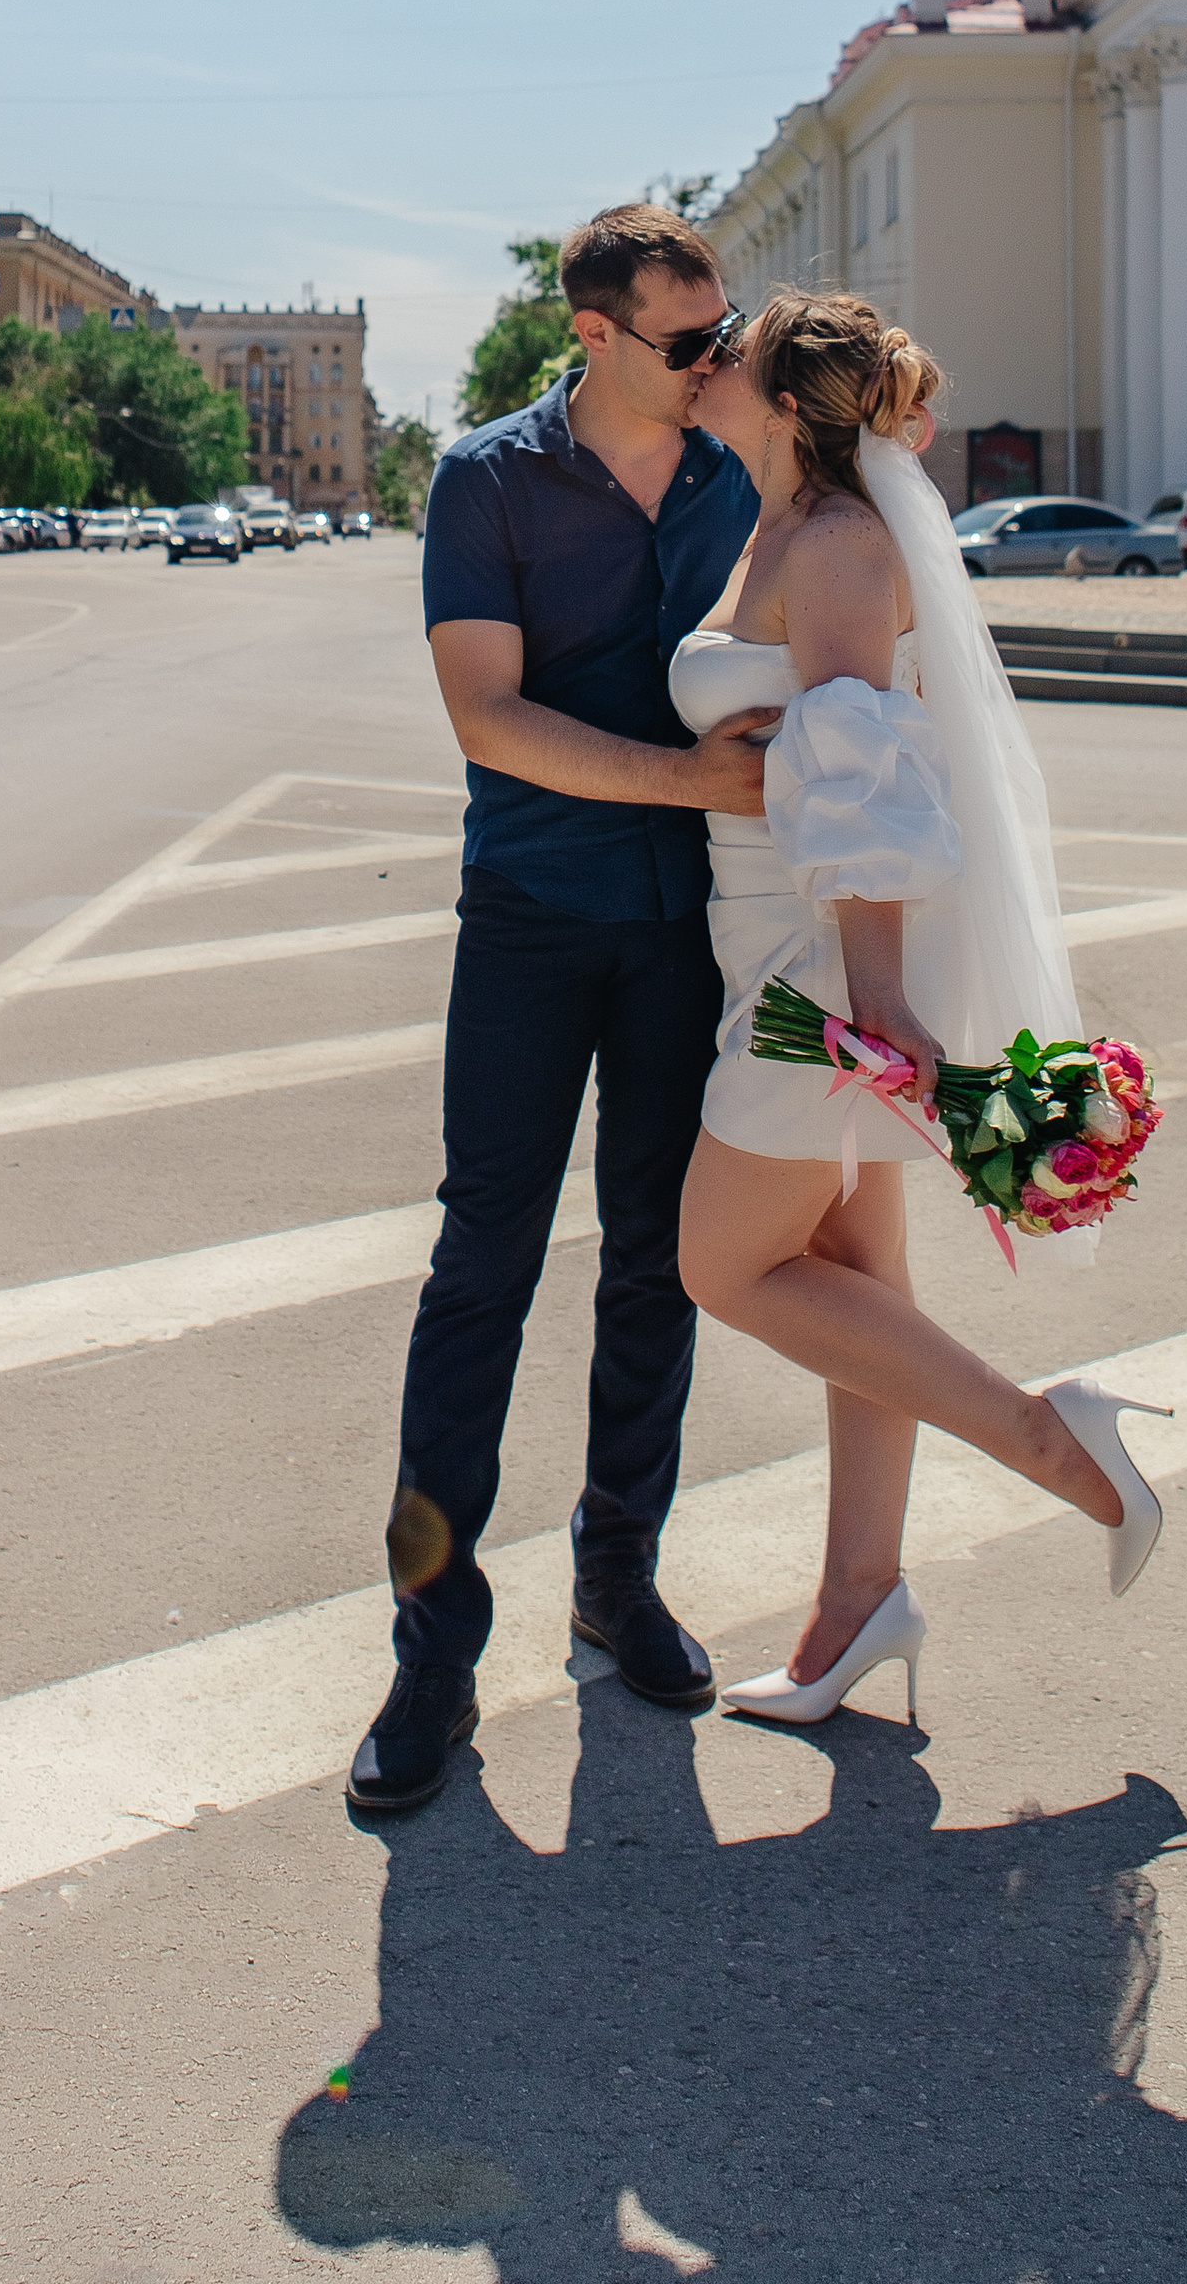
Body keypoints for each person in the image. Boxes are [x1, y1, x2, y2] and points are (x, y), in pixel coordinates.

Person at [671, 288, 1171, 1728]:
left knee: (725, 1265)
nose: (705, 363)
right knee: (858, 1276)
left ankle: (1054, 1442)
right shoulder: (780, 523)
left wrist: (877, 1000)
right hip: (776, 938)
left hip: (823, 968)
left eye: (728, 350)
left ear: (782, 402)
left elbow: (863, 767)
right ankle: (858, 1606)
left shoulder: (835, 541)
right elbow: (813, 740)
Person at [349, 205, 772, 1816]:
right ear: (594, 334)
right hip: (531, 920)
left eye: (723, 333)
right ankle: (432, 1648)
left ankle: (619, 1577)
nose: (714, 362)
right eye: (688, 341)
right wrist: (684, 779)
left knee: (658, 1266)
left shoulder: (738, 472)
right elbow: (488, 715)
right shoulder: (488, 478)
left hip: (692, 932)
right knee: (483, 1271)